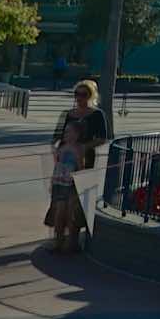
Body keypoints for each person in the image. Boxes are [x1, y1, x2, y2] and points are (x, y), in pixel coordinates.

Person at [45, 80, 108, 253]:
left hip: (83, 161)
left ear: (91, 96)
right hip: (64, 163)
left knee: (76, 203)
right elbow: (57, 136)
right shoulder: (68, 114)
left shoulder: (97, 115)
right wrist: (58, 151)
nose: (79, 98)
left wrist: (83, 147)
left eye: (84, 94)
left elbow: (102, 138)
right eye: (77, 94)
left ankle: (73, 241)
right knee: (59, 204)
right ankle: (58, 239)